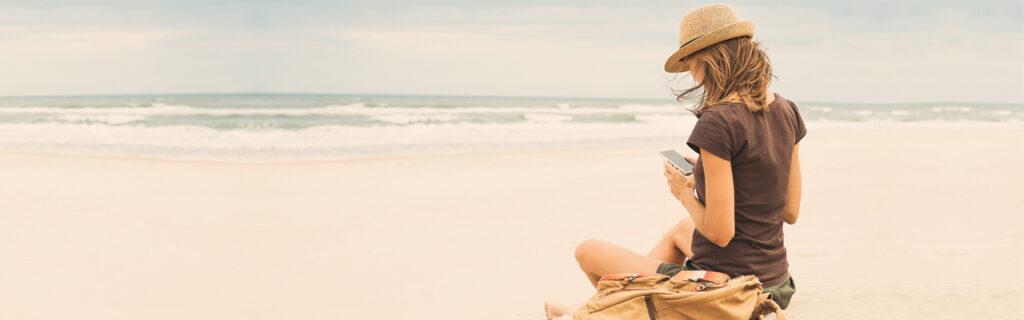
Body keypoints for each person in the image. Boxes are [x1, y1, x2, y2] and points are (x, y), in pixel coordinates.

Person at [545, 4, 806, 319]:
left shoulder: (718, 120)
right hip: (775, 284)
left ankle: (597, 309)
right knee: (681, 231)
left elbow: (721, 233)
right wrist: (705, 172)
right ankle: (614, 303)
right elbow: (789, 210)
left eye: (690, 63)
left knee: (587, 250)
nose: (691, 73)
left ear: (705, 60)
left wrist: (684, 193)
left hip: (726, 289)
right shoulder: (787, 110)